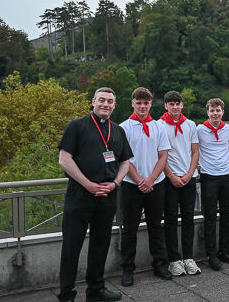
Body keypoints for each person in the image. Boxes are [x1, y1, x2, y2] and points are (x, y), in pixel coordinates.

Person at [57, 87, 132, 302]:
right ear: (93, 101)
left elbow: (125, 161)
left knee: (101, 244)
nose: (105, 104)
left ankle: (96, 290)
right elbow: (64, 159)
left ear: (115, 105)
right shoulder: (77, 126)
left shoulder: (118, 131)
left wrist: (116, 183)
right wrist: (88, 184)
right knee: (72, 245)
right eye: (102, 100)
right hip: (80, 195)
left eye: (110, 101)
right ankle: (66, 294)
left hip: (107, 196)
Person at [120, 87, 172, 287]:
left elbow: (163, 155)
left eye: (146, 103)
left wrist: (150, 179)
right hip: (131, 185)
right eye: (139, 103)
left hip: (156, 184)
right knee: (129, 228)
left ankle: (159, 264)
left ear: (151, 104)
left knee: (155, 226)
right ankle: (127, 269)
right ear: (133, 103)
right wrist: (139, 179)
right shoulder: (123, 127)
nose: (142, 106)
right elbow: (123, 158)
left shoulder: (158, 127)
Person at [159, 91, 201, 276]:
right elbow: (159, 155)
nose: (175, 107)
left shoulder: (190, 125)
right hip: (169, 179)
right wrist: (172, 176)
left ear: (182, 105)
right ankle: (174, 260)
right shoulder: (159, 125)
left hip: (188, 178)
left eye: (178, 104)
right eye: (171, 104)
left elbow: (195, 151)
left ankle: (188, 257)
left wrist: (190, 173)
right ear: (166, 106)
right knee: (170, 220)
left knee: (188, 219)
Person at [197, 98, 229, 270]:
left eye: (218, 110)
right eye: (212, 111)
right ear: (207, 112)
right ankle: (211, 254)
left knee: (226, 216)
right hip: (208, 176)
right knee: (210, 217)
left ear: (223, 112)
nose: (215, 113)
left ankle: (225, 251)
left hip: (226, 174)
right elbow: (195, 148)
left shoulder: (228, 129)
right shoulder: (200, 129)